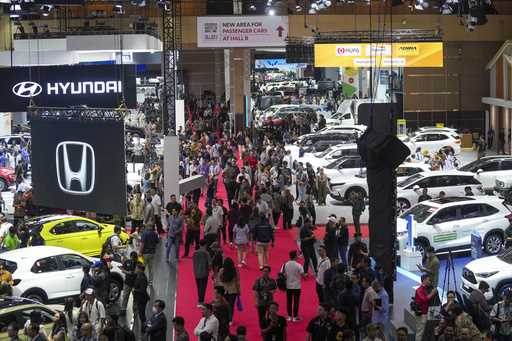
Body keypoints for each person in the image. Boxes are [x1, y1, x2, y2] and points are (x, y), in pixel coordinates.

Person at [282, 250, 305, 322]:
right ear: (295, 256)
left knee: (289, 301)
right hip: (296, 286)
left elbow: (282, 274)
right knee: (296, 301)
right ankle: (295, 317)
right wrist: (305, 276)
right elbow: (303, 275)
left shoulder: (285, 264)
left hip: (288, 286)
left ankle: (289, 316)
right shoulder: (299, 265)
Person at [415, 274, 438, 341]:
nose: (430, 282)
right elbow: (424, 299)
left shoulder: (427, 289)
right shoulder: (419, 290)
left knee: (426, 331)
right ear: (424, 280)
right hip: (421, 314)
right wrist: (432, 293)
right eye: (428, 280)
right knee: (420, 332)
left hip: (428, 312)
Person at [217, 257, 241, 323]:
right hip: (233, 291)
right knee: (231, 306)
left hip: (224, 290)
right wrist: (239, 291)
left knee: (224, 305)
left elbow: (219, 281)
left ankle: (225, 318)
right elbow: (237, 281)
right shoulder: (235, 270)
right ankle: (230, 319)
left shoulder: (221, 270)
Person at [193, 240, 211, 305]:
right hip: (204, 273)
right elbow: (209, 264)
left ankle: (200, 299)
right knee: (203, 287)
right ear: (205, 245)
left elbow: (193, 262)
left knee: (199, 287)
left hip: (196, 272)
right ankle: (200, 301)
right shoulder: (206, 253)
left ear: (199, 245)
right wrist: (210, 270)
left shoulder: (195, 253)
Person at [133, 263, 149, 330]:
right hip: (138, 298)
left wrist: (135, 290)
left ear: (140, 269)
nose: (135, 269)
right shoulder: (139, 275)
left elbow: (142, 290)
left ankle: (144, 326)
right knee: (140, 312)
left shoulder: (142, 278)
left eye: (137, 268)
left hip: (142, 298)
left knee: (142, 314)